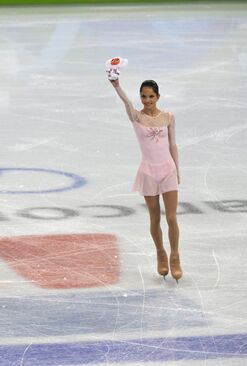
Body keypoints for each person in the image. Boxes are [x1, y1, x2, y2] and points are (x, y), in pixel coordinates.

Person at [109, 75, 182, 282]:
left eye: (151, 96)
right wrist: (117, 86)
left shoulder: (168, 117)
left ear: (158, 96)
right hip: (148, 172)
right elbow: (127, 102)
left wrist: (177, 170)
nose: (147, 100)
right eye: (143, 96)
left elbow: (173, 145)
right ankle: (161, 253)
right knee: (155, 218)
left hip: (168, 170)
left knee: (171, 217)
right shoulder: (136, 117)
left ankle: (175, 256)